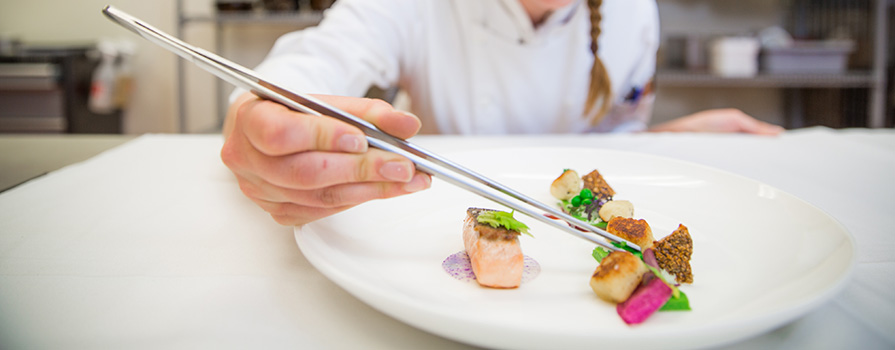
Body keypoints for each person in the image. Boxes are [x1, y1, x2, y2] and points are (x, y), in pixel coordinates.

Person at [221, 0, 783, 227]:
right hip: (434, 220)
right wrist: (264, 116)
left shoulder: (633, 11)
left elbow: (613, 137)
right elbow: (314, 62)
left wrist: (667, 138)